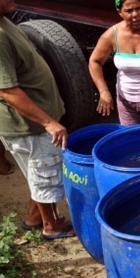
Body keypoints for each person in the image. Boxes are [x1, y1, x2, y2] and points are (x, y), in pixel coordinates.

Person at [0, 0, 76, 239]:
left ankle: (34, 218)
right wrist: (48, 122)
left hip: (35, 119)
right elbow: (7, 91)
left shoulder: (4, 22)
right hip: (28, 126)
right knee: (44, 174)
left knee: (39, 172)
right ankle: (51, 226)